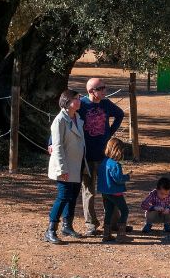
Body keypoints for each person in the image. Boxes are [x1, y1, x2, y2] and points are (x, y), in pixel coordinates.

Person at [77, 77, 125, 236]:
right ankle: (91, 224)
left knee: (109, 190)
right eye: (101, 88)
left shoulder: (106, 104)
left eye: (105, 87)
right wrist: (51, 142)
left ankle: (113, 223)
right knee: (89, 191)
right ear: (91, 91)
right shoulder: (81, 105)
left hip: (104, 156)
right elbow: (64, 120)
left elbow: (120, 114)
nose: (105, 91)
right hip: (87, 156)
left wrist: (110, 132)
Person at [45, 89, 87, 245]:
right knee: (62, 197)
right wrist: (62, 169)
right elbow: (57, 146)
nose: (79, 100)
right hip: (65, 166)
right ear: (68, 102)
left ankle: (67, 226)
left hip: (77, 165)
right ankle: (50, 230)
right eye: (77, 98)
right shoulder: (60, 120)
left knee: (73, 196)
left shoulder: (77, 117)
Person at [97, 137, 132, 242]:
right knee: (125, 211)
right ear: (118, 150)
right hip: (115, 192)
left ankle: (106, 234)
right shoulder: (115, 165)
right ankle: (121, 235)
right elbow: (118, 179)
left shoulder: (104, 162)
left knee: (108, 211)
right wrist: (127, 176)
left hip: (105, 191)